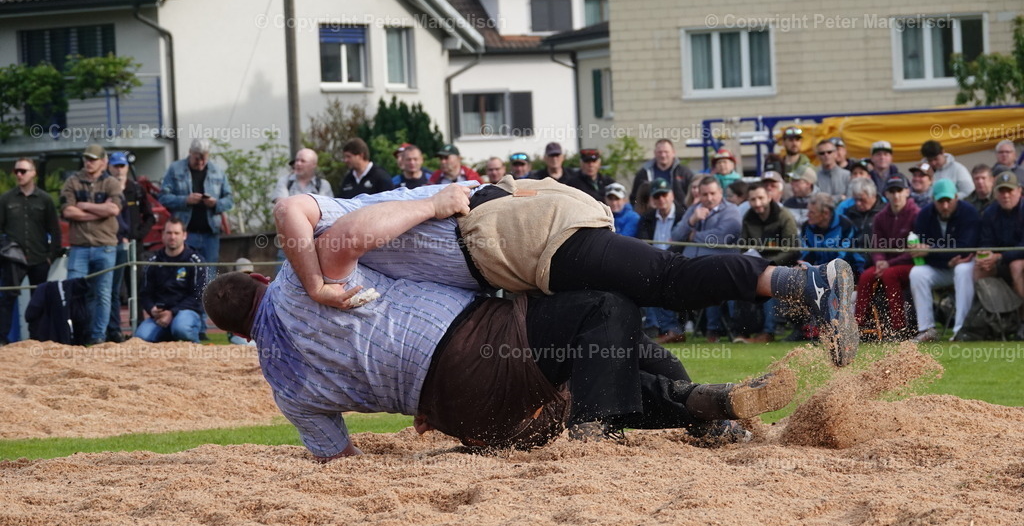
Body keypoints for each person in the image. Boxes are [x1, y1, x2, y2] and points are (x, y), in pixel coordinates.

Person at [204, 261, 798, 458]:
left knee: (598, 371)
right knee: (606, 309)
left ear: (240, 336)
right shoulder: (297, 278)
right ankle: (603, 435)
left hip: (465, 417)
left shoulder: (283, 384)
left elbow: (338, 457)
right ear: (260, 277)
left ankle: (711, 405)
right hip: (471, 342)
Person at [275, 179, 859, 366]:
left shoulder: (343, 220)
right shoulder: (372, 239)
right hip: (527, 247)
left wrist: (316, 284)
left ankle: (804, 284)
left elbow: (299, 216)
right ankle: (700, 406)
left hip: (529, 238)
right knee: (612, 320)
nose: (327, 256)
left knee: (669, 283)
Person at [60, 144, 123, 345]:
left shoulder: (111, 182)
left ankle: (98, 337)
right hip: (79, 246)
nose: (89, 162)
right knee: (73, 291)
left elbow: (114, 209)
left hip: (105, 245)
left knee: (103, 293)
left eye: (93, 159)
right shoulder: (72, 181)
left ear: (103, 162)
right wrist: (99, 211)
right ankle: (77, 335)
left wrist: (85, 207)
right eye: (87, 158)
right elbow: (67, 211)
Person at [908, 179, 980, 342]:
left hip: (964, 265)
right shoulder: (925, 215)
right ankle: (926, 329)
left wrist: (931, 250)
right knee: (917, 273)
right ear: (933, 199)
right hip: (941, 266)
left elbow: (965, 247)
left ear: (956, 197)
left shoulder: (969, 213)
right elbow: (920, 251)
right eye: (941, 201)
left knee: (962, 270)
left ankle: (961, 329)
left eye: (948, 200)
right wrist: (944, 259)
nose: (945, 205)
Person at [672, 175, 743, 342]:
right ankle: (671, 331)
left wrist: (693, 235)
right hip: (689, 264)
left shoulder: (731, 210)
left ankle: (713, 331)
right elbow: (675, 235)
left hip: (720, 264)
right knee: (663, 279)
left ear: (720, 192)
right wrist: (692, 220)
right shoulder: (694, 209)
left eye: (712, 193)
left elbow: (722, 236)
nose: (709, 198)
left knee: (711, 280)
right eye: (705, 194)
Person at [0, 157, 61, 344]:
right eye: (16, 171)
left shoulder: (45, 199)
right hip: (13, 259)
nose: (19, 174)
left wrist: (50, 256)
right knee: (7, 299)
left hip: (39, 258)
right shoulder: (6, 199)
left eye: (23, 171)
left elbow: (54, 230)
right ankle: (2, 340)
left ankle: (37, 339)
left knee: (38, 300)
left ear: (33, 173)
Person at [854, 175, 919, 336]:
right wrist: (880, 261)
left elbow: (914, 250)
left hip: (911, 263)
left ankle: (899, 327)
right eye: (892, 191)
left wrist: (888, 264)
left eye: (899, 190)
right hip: (886, 264)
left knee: (890, 275)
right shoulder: (881, 217)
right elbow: (876, 245)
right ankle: (856, 325)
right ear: (887, 194)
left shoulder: (916, 214)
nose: (896, 195)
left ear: (907, 192)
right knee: (866, 277)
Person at [736, 181, 800, 343]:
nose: (757, 204)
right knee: (735, 281)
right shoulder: (748, 217)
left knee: (768, 281)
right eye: (752, 200)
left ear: (769, 197)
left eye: (760, 198)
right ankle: (742, 330)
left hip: (783, 265)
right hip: (756, 265)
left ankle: (768, 331)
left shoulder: (784, 216)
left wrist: (767, 264)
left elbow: (791, 249)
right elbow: (743, 246)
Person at [158, 138, 234, 274]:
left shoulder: (217, 171)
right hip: (186, 233)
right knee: (183, 275)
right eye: (197, 158)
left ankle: (205, 297)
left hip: (210, 234)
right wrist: (185, 200)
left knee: (208, 276)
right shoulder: (175, 169)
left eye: (204, 159)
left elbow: (229, 200)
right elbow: (163, 197)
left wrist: (215, 203)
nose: (200, 162)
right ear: (190, 153)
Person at [105, 150, 155, 342]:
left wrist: (138, 235)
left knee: (137, 287)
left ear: (127, 167)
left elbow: (150, 216)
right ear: (109, 167)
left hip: (135, 246)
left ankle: (139, 329)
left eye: (122, 165)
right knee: (114, 289)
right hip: (112, 244)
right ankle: (114, 330)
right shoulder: (105, 188)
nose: (119, 170)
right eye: (115, 166)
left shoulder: (137, 188)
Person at [135, 218, 206, 343]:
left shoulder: (195, 261)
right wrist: (152, 309)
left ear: (184, 235)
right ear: (162, 235)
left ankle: (195, 348)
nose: (172, 237)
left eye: (176, 233)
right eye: (168, 233)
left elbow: (198, 296)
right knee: (141, 337)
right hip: (159, 316)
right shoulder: (153, 262)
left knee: (181, 328)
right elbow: (145, 293)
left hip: (186, 312)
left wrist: (172, 312)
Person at [635, 178, 685, 344]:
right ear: (652, 200)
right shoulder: (647, 218)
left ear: (672, 195)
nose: (661, 199)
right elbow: (642, 242)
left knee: (660, 279)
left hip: (678, 264)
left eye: (664, 195)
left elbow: (684, 245)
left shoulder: (682, 215)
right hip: (652, 262)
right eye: (657, 196)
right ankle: (654, 327)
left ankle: (670, 328)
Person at [974, 172, 1024, 301]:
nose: (1006, 195)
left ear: (1019, 191)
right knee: (979, 269)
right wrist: (985, 254)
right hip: (1000, 260)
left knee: (1016, 265)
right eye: (1001, 191)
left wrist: (1000, 256)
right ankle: (994, 315)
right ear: (995, 194)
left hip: (1017, 259)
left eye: (1010, 191)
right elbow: (986, 240)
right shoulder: (990, 212)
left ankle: (1022, 317)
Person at [629, 138, 694, 210]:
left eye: (666, 152)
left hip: (679, 215)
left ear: (673, 153)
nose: (663, 155)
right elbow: (634, 198)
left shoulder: (684, 173)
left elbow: (693, 195)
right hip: (650, 216)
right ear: (655, 153)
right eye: (660, 152)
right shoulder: (643, 174)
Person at [844, 177, 885, 254]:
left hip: (875, 257)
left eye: (862, 199)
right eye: (855, 199)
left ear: (873, 195)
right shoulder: (850, 212)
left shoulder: (884, 213)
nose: (858, 203)